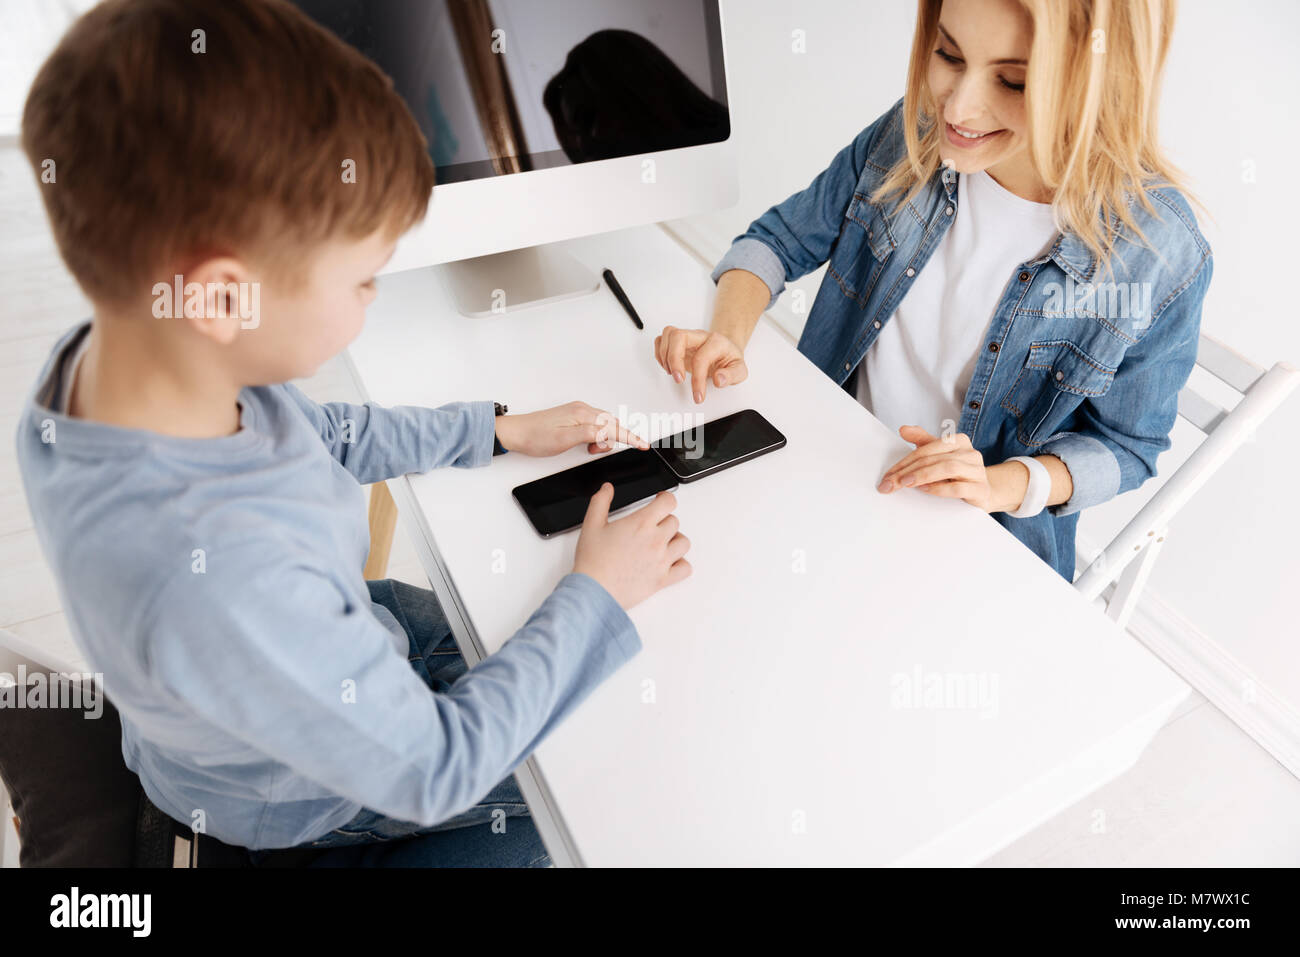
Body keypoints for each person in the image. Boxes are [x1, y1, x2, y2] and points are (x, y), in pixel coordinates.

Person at [15, 0, 690, 865]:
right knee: (597, 805)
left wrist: (492, 428)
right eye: (366, 279)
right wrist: (597, 595)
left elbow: (317, 431)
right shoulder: (224, 577)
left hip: (323, 646)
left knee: (515, 625)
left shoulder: (121, 364)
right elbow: (438, 766)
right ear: (223, 297)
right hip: (295, 799)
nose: (376, 296)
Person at [654, 0, 1211, 581]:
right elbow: (778, 240)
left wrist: (996, 483)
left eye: (1012, 81)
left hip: (975, 551)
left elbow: (1128, 447)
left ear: (1100, 83)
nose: (958, 107)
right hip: (825, 464)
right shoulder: (911, 134)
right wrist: (727, 336)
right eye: (948, 54)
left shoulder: (1162, 255)